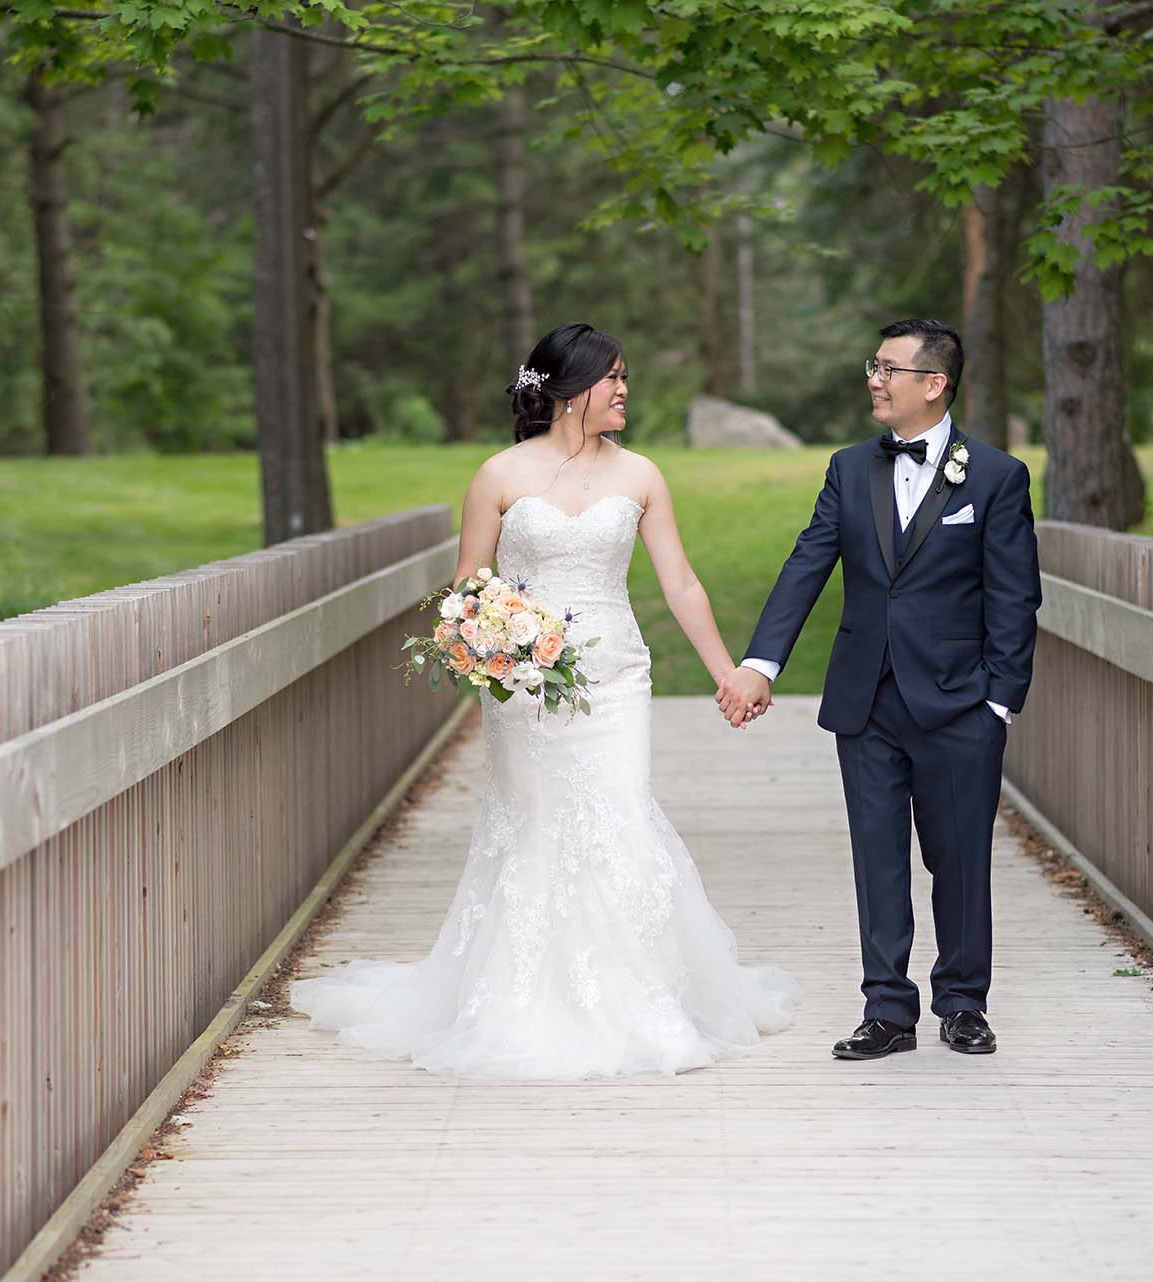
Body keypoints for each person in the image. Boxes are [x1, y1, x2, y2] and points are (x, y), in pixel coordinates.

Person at [289, 321, 797, 1079]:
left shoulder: (643, 476)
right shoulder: (498, 476)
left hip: (616, 676)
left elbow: (681, 583)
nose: (625, 390)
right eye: (612, 377)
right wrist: (494, 638)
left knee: (619, 816)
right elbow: (467, 584)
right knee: (535, 829)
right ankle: (524, 1004)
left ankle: (642, 1004)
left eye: (627, 377)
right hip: (523, 686)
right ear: (565, 391)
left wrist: (728, 671)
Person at [718, 318, 1042, 1060]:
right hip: (866, 698)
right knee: (877, 856)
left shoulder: (994, 476)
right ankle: (887, 1010)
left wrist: (1000, 701)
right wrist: (760, 665)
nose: (874, 378)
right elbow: (808, 563)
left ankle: (962, 1004)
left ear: (934, 384)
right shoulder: (847, 467)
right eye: (874, 365)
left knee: (959, 858)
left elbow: (1015, 597)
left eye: (889, 368)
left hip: (962, 702)